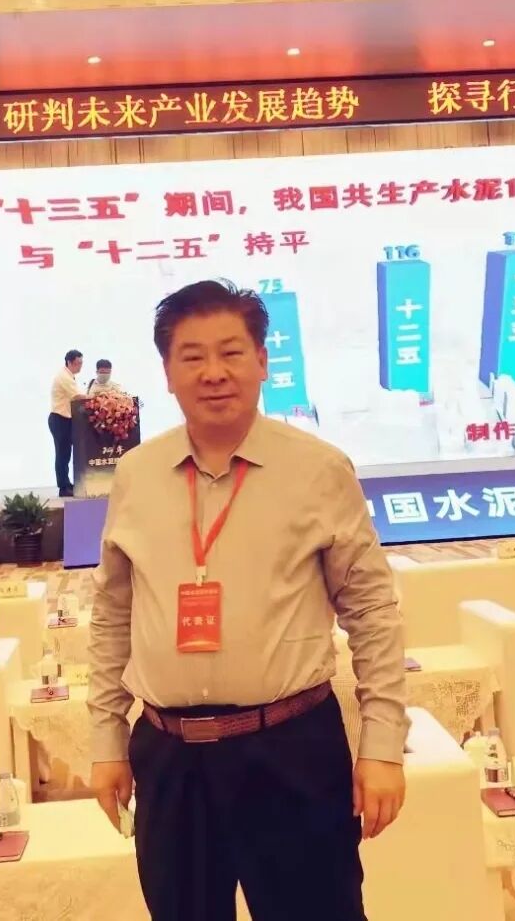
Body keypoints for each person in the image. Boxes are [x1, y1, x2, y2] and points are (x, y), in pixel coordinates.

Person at [88, 279, 407, 921]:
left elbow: (371, 611)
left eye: (232, 352)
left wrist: (382, 745)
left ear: (262, 361)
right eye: (193, 356)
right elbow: (113, 614)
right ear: (167, 373)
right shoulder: (137, 475)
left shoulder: (318, 470)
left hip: (290, 750)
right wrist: (105, 740)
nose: (214, 373)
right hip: (169, 757)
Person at [49, 349, 86, 497]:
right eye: (78, 363)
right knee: (62, 454)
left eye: (81, 363)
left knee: (66, 454)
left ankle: (67, 483)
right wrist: (93, 398)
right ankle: (63, 487)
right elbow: (77, 396)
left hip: (66, 419)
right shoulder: (63, 377)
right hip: (59, 419)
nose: (80, 366)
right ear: (69, 362)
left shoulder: (69, 376)